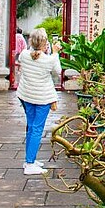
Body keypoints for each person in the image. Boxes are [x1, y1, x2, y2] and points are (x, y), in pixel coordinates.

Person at [16, 28, 62, 175]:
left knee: (31, 126)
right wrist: (55, 52)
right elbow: (58, 71)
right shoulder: (49, 60)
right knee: (37, 129)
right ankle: (30, 164)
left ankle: (29, 159)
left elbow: (32, 55)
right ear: (45, 43)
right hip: (42, 98)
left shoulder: (23, 55)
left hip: (26, 95)